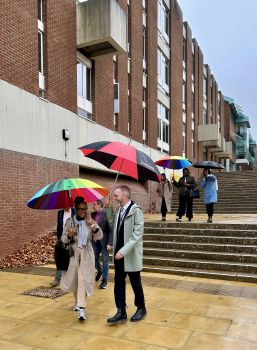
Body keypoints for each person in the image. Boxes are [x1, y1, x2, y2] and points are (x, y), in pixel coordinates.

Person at [107, 185, 146, 324]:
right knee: (118, 283)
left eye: (116, 195)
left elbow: (137, 234)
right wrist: (107, 209)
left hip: (129, 254)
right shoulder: (119, 210)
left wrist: (124, 251)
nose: (115, 197)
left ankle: (141, 308)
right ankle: (121, 311)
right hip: (119, 254)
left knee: (136, 283)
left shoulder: (136, 211)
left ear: (125, 195)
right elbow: (113, 226)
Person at [60, 198, 103, 321]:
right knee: (75, 280)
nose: (82, 211)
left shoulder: (90, 221)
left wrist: (92, 225)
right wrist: (69, 234)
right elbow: (62, 239)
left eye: (84, 208)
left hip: (86, 255)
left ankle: (82, 309)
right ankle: (77, 301)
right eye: (79, 209)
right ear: (76, 209)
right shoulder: (70, 222)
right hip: (73, 255)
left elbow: (99, 235)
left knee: (83, 280)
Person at [51, 207, 76, 286]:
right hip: (62, 239)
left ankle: (70, 279)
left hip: (73, 239)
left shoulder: (75, 212)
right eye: (64, 205)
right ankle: (58, 278)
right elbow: (59, 226)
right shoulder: (60, 213)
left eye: (67, 205)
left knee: (71, 259)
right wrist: (59, 238)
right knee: (59, 258)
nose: (65, 207)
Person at [91, 199, 113, 289]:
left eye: (94, 204)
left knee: (105, 260)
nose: (93, 206)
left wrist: (110, 243)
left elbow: (111, 230)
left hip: (104, 242)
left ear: (100, 205)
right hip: (95, 241)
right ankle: (99, 270)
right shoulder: (92, 215)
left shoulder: (107, 214)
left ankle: (104, 280)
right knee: (93, 258)